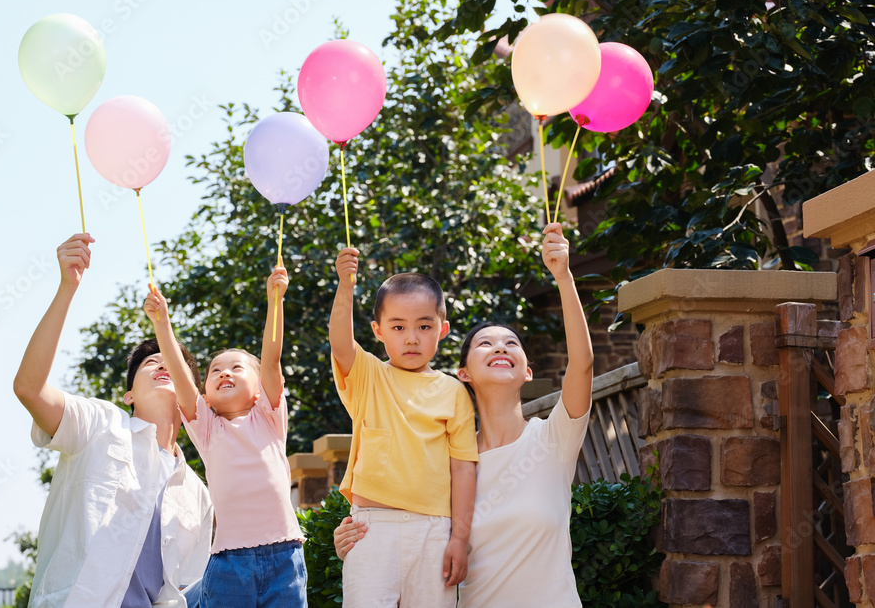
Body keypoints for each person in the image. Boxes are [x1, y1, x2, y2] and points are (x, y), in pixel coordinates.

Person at [334, 222, 594, 607]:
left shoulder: (552, 441)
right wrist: (362, 531)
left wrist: (564, 275)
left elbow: (583, 365)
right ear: (464, 373)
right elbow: (406, 514)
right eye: (485, 342)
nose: (500, 346)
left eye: (512, 343)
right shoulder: (443, 457)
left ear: (527, 370)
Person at [13, 233, 214, 608]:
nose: (161, 363)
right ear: (129, 396)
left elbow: (184, 591)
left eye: (174, 363)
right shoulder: (98, 424)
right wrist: (66, 288)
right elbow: (28, 387)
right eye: (149, 363)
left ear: (193, 396)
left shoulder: (198, 494)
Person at [143, 260, 306, 608]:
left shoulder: (269, 417)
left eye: (236, 367)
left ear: (259, 388)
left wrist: (275, 300)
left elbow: (272, 359)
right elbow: (179, 373)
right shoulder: (207, 427)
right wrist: (163, 324)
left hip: (285, 558)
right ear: (205, 394)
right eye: (215, 370)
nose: (224, 372)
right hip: (230, 564)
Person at [329, 248, 479, 607]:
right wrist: (345, 287)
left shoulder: (454, 391)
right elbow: (339, 342)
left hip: (434, 529)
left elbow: (463, 468)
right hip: (371, 526)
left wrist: (459, 538)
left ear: (441, 330)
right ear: (378, 331)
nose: (411, 337)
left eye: (424, 326)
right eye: (398, 327)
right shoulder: (369, 376)